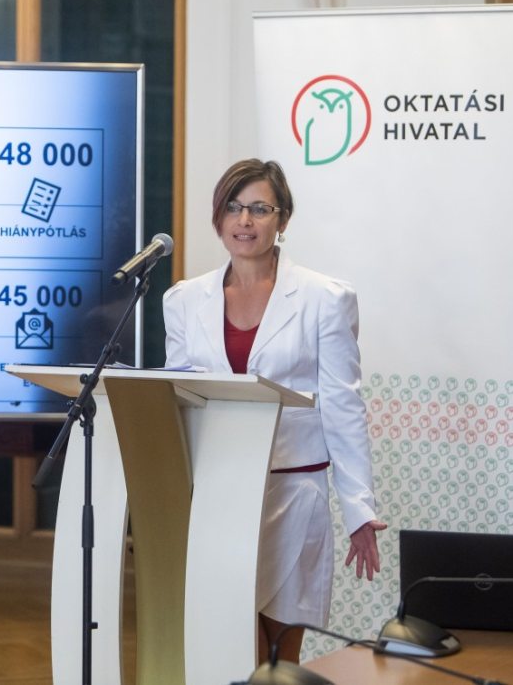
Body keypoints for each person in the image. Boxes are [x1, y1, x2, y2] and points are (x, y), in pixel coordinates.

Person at [162, 159, 385, 665]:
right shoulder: (183, 301)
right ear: (218, 217)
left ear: (282, 219)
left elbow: (343, 405)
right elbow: (181, 400)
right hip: (217, 494)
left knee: (281, 658)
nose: (245, 220)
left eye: (260, 209)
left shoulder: (324, 298)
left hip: (293, 495)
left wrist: (359, 509)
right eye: (234, 208)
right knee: (235, 649)